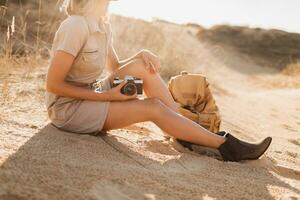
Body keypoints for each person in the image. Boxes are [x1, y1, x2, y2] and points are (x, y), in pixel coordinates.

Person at [45, 0, 272, 162]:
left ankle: (186, 130)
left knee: (144, 66)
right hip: (68, 109)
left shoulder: (103, 25)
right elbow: (54, 85)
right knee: (152, 108)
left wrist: (140, 54)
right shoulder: (75, 26)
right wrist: (107, 96)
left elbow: (114, 67)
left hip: (93, 92)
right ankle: (225, 146)